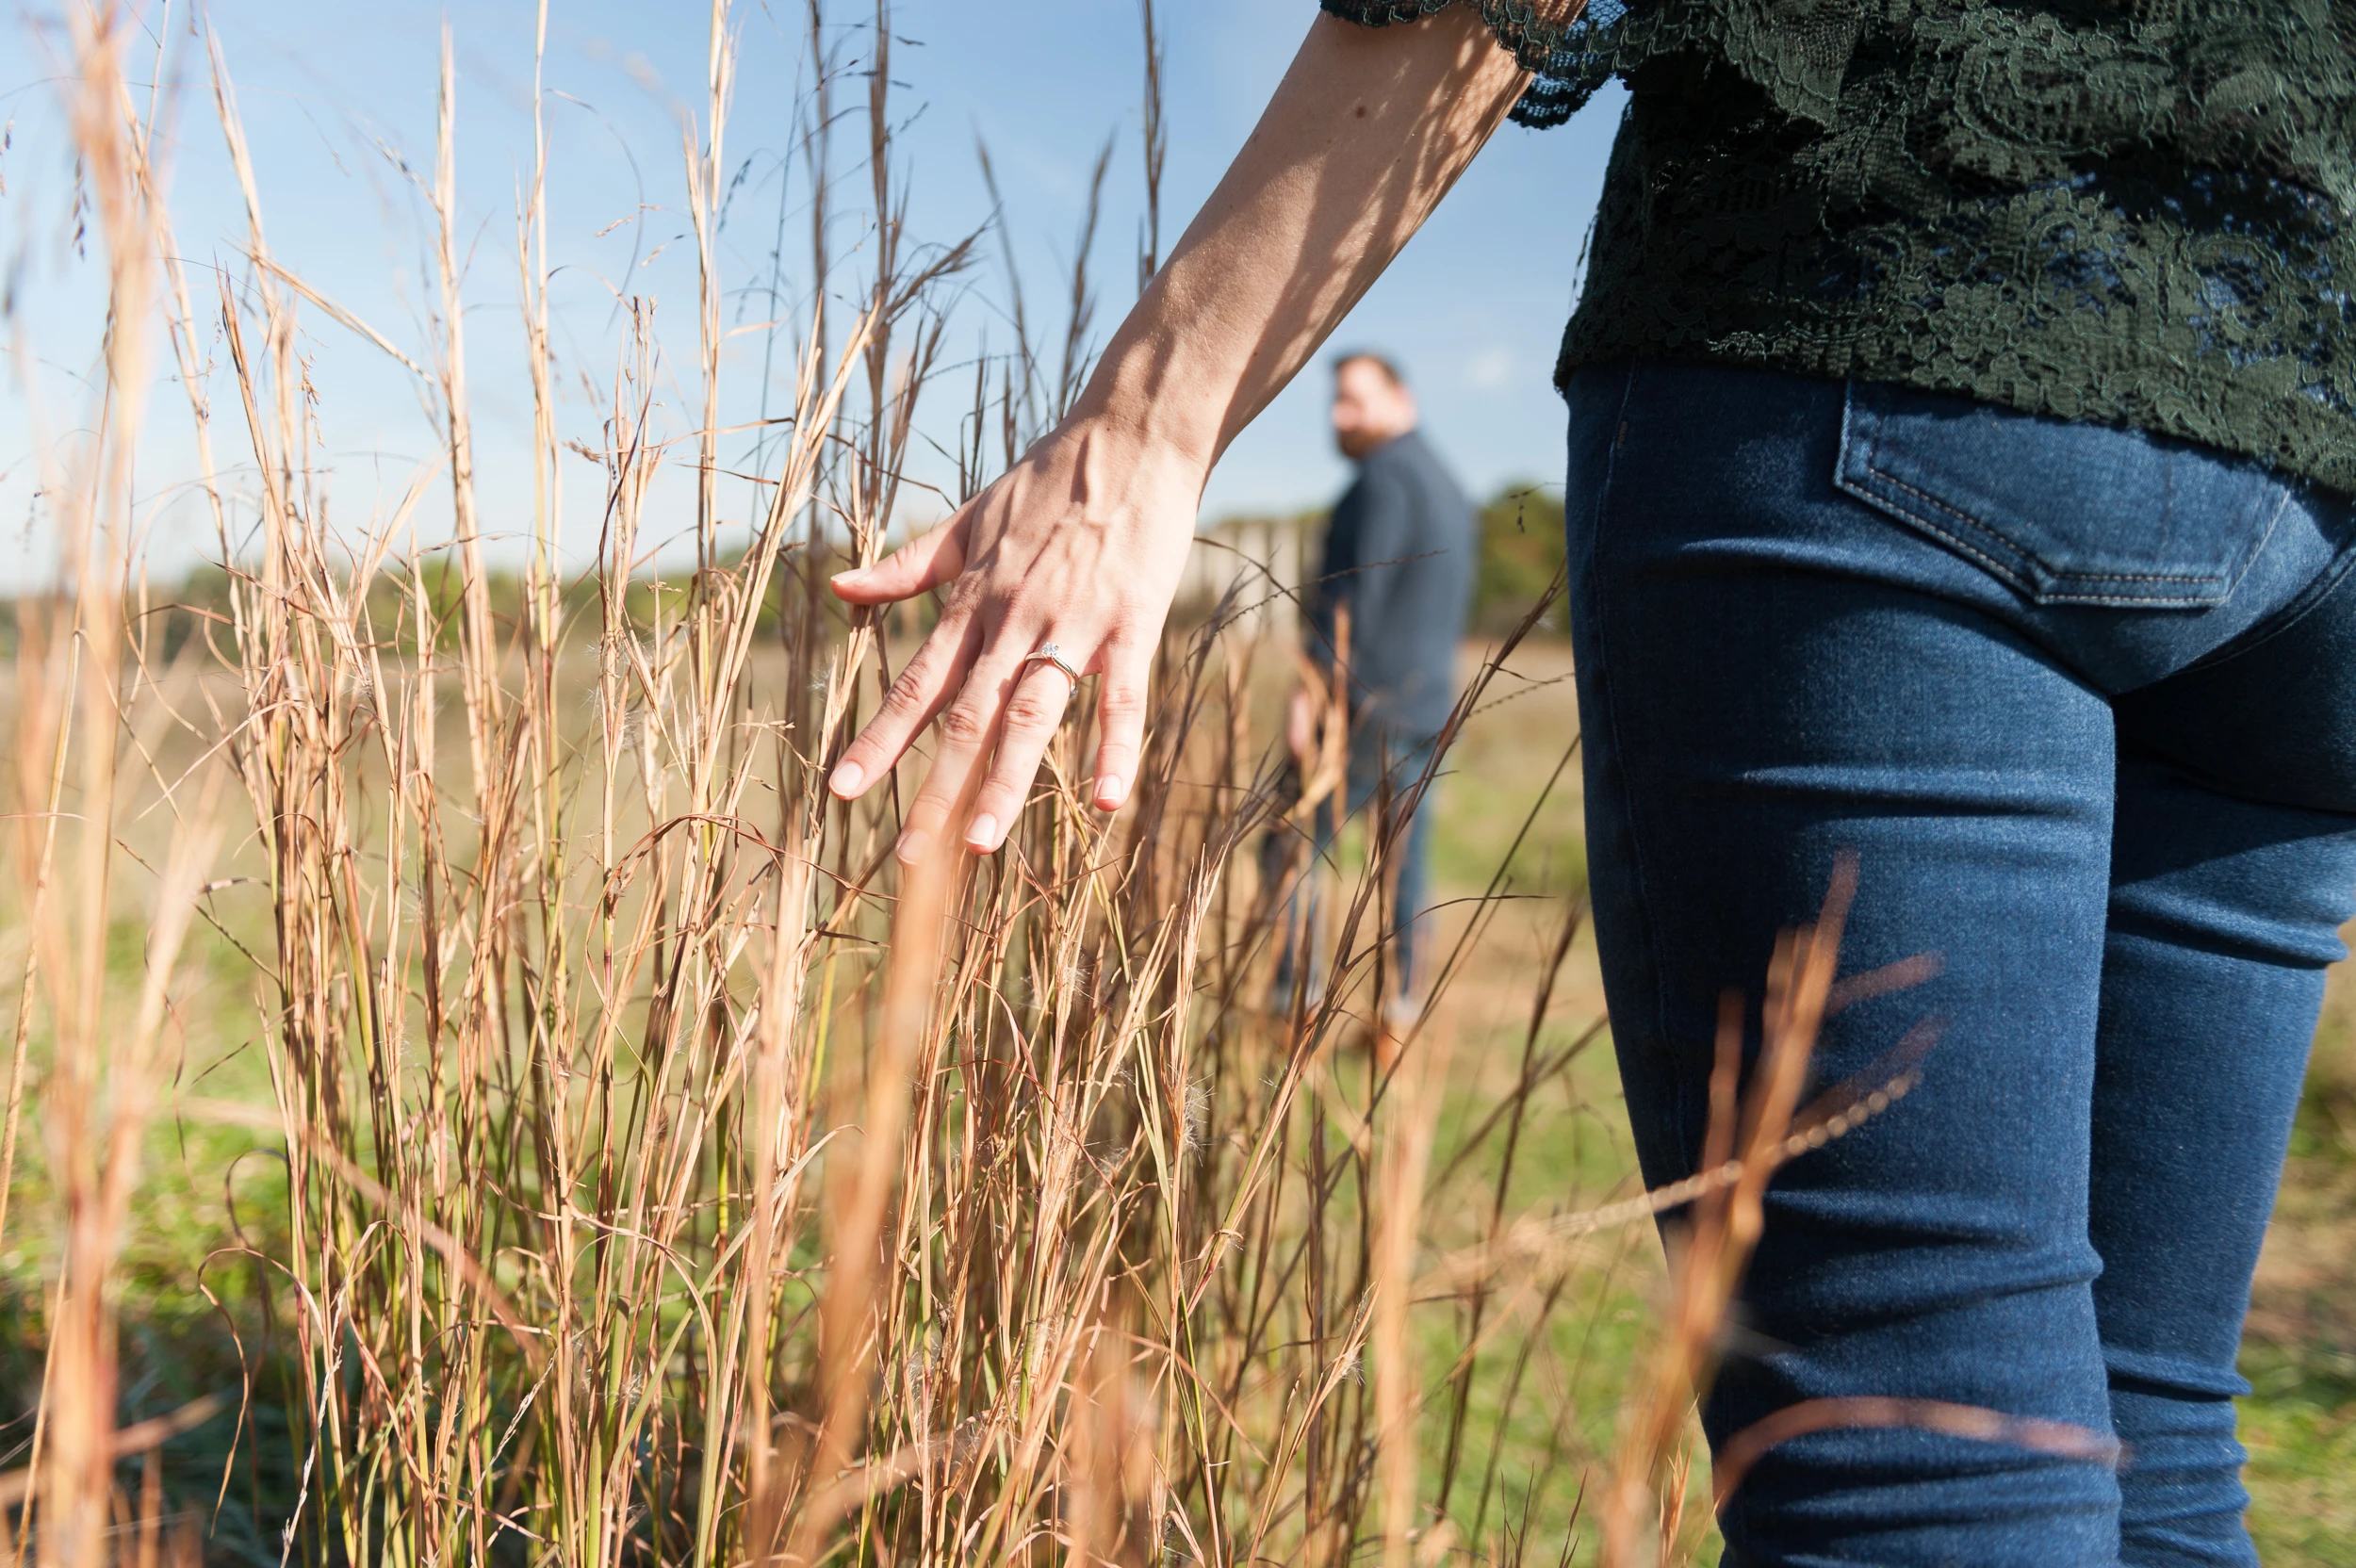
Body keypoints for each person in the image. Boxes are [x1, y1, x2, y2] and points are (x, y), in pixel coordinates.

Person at [822, 5, 2356, 1563]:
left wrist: (1149, 418)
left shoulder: (1405, 486)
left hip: (1885, 367)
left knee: (1925, 1452)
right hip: (2312, 467)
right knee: (2156, 1429)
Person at [1268, 351, 1474, 1019]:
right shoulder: (1447, 484)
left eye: (1354, 400)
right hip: (1428, 706)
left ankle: (1296, 1002)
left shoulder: (1382, 480)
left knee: (1293, 844)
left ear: (1400, 399)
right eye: (1336, 402)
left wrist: (1311, 690)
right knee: (1404, 860)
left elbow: (1354, 596)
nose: (1339, 416)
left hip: (1362, 706)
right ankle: (1400, 1007)